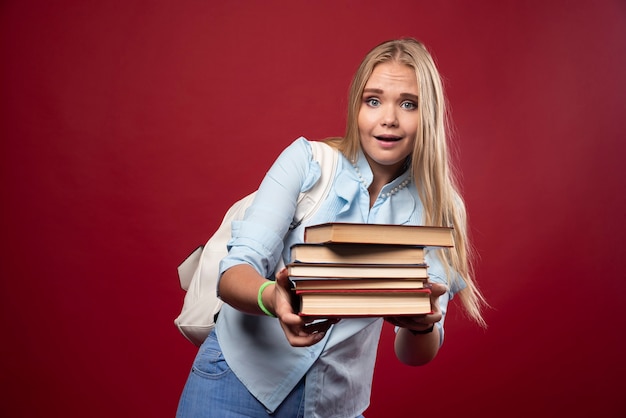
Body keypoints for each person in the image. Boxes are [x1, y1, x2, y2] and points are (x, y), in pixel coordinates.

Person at [176, 38, 486, 418]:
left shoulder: (441, 207)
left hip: (332, 406)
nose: (388, 118)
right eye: (373, 100)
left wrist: (423, 326)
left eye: (409, 104)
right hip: (233, 385)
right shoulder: (306, 162)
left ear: (430, 114)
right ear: (357, 106)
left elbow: (413, 353)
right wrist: (274, 299)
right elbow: (234, 272)